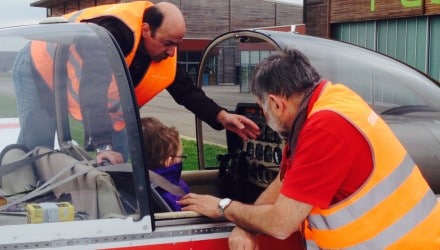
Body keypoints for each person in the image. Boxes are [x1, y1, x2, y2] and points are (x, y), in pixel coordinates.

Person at [178, 49, 440, 249]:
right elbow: (286, 182)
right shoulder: (329, 101)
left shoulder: (325, 128)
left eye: (263, 110)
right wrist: (249, 226)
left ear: (275, 103)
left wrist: (223, 207)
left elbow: (281, 224)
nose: (266, 117)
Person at [13, 1, 260, 164]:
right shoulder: (112, 32)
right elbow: (93, 88)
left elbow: (185, 90)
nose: (173, 52)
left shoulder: (160, 49)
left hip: (74, 78)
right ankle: (26, 201)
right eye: (168, 43)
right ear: (145, 30)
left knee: (127, 163)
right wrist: (103, 146)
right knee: (38, 147)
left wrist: (220, 115)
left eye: (177, 44)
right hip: (38, 65)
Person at [141, 116, 189, 211]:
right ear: (168, 160)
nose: (181, 161)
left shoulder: (141, 182)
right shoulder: (170, 195)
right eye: (181, 156)